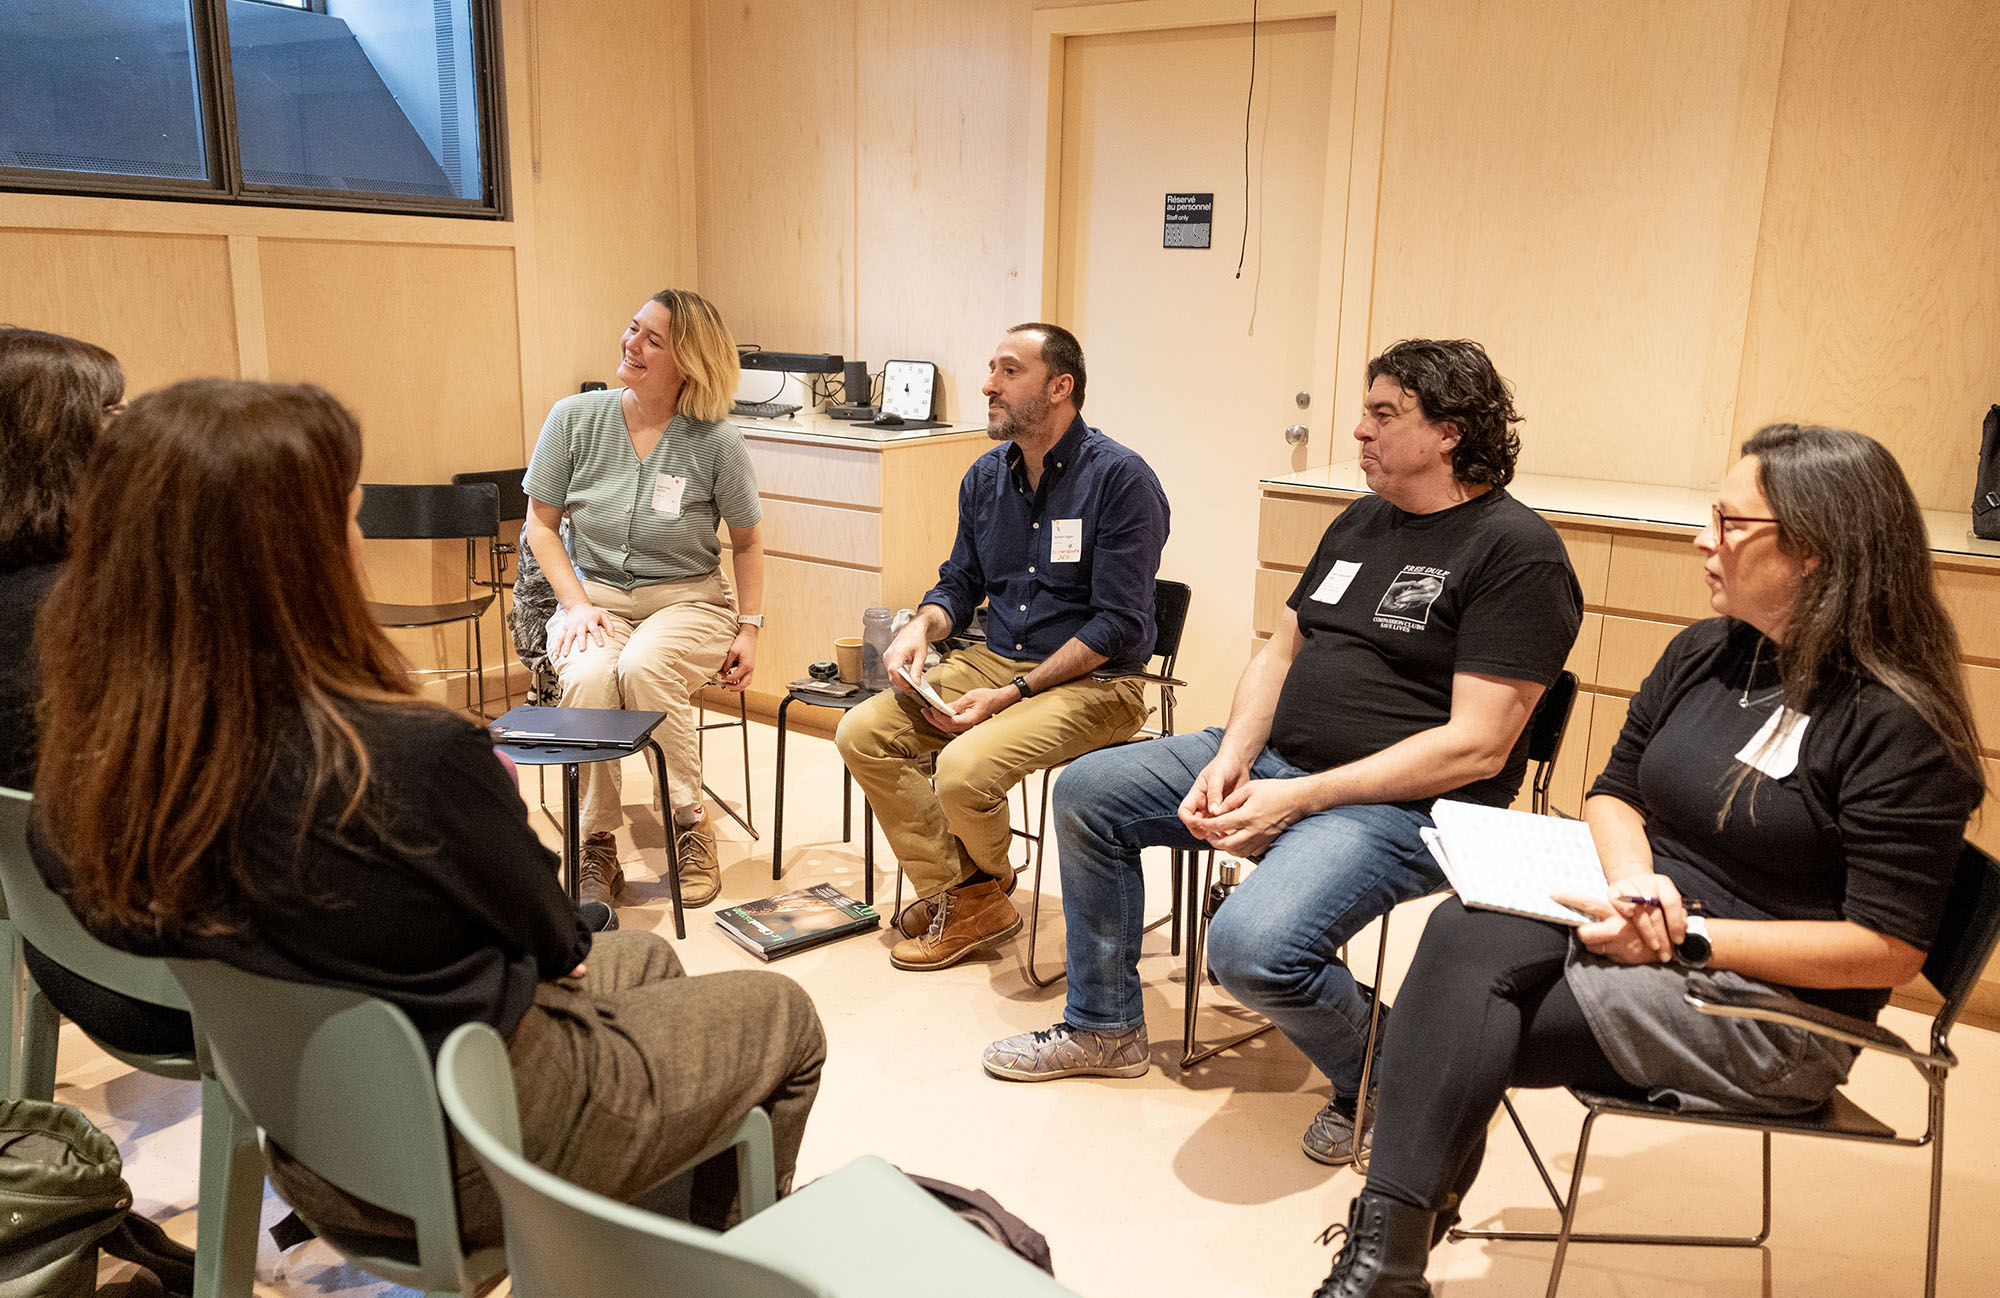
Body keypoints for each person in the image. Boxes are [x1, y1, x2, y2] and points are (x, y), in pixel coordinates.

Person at [29, 378, 825, 1243]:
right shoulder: (413, 759)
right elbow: (555, 937)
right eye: (349, 516)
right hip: (469, 1143)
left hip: (312, 1138)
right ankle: (664, 1262)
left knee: (646, 960)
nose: (360, 540)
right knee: (783, 1015)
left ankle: (625, 1229)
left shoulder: (109, 766)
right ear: (294, 555)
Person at [1312, 424, 1985, 1298]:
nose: (1704, 540)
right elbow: (1614, 791)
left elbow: (1887, 951)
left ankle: (1384, 1260)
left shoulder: (1898, 723)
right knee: (1461, 934)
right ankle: (1390, 1259)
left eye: (1730, 523)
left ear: (1814, 550)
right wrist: (1635, 882)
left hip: (1772, 1008)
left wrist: (1688, 938)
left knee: (1457, 1015)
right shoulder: (1712, 651)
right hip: (1647, 918)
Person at [983, 340, 1583, 1165]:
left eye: (1384, 415)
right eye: (1366, 412)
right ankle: (1105, 1024)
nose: (1360, 431)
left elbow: (1476, 748)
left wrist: (1299, 798)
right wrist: (1232, 756)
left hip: (1403, 809)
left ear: (1449, 433)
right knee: (1091, 792)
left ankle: (1391, 1072)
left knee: (1251, 950)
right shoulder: (1363, 520)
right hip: (1279, 766)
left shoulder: (1517, 553)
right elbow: (1280, 652)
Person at [834, 323, 1170, 970]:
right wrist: (920, 627)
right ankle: (970, 895)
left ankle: (971, 896)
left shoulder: (1121, 480)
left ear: (1060, 387)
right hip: (996, 659)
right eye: (992, 369)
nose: (989, 385)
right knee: (862, 732)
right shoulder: (985, 477)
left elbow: (1119, 626)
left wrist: (1012, 693)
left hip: (1099, 681)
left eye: (1009, 371)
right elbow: (959, 583)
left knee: (963, 771)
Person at [522, 288, 765, 915]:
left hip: (689, 601)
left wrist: (750, 628)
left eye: (653, 340)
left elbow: (746, 542)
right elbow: (540, 526)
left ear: (688, 361)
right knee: (590, 675)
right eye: (634, 328)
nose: (631, 344)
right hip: (594, 598)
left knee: (645, 666)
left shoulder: (717, 441)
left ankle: (690, 822)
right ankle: (596, 841)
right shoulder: (573, 419)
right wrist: (576, 606)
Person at [0, 327, 197, 1063]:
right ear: (51, 445)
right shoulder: (96, 616)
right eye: (111, 411)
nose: (130, 427)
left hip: (52, 942)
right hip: (165, 980)